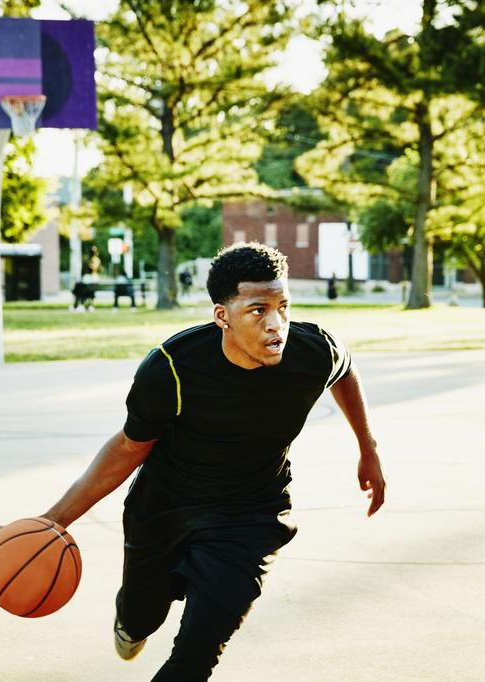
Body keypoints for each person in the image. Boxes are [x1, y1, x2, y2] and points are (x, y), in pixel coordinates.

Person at [42, 242, 386, 681]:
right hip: (165, 508)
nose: (276, 323)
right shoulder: (173, 368)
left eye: (283, 306)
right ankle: (139, 613)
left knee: (196, 655)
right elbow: (129, 448)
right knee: (141, 618)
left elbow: (345, 371)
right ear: (222, 316)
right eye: (257, 310)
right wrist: (55, 519)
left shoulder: (312, 350)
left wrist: (368, 448)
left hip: (250, 516)